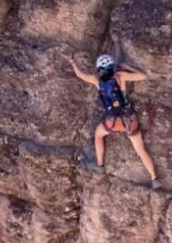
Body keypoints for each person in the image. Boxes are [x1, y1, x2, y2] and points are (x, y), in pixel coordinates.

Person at [67, 54, 161, 190]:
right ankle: (154, 178)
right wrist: (126, 67)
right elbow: (143, 76)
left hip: (112, 121)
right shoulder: (120, 76)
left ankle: (99, 166)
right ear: (111, 66)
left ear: (99, 68)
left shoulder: (96, 80)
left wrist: (72, 62)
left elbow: (80, 75)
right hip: (129, 119)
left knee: (98, 135)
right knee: (141, 150)